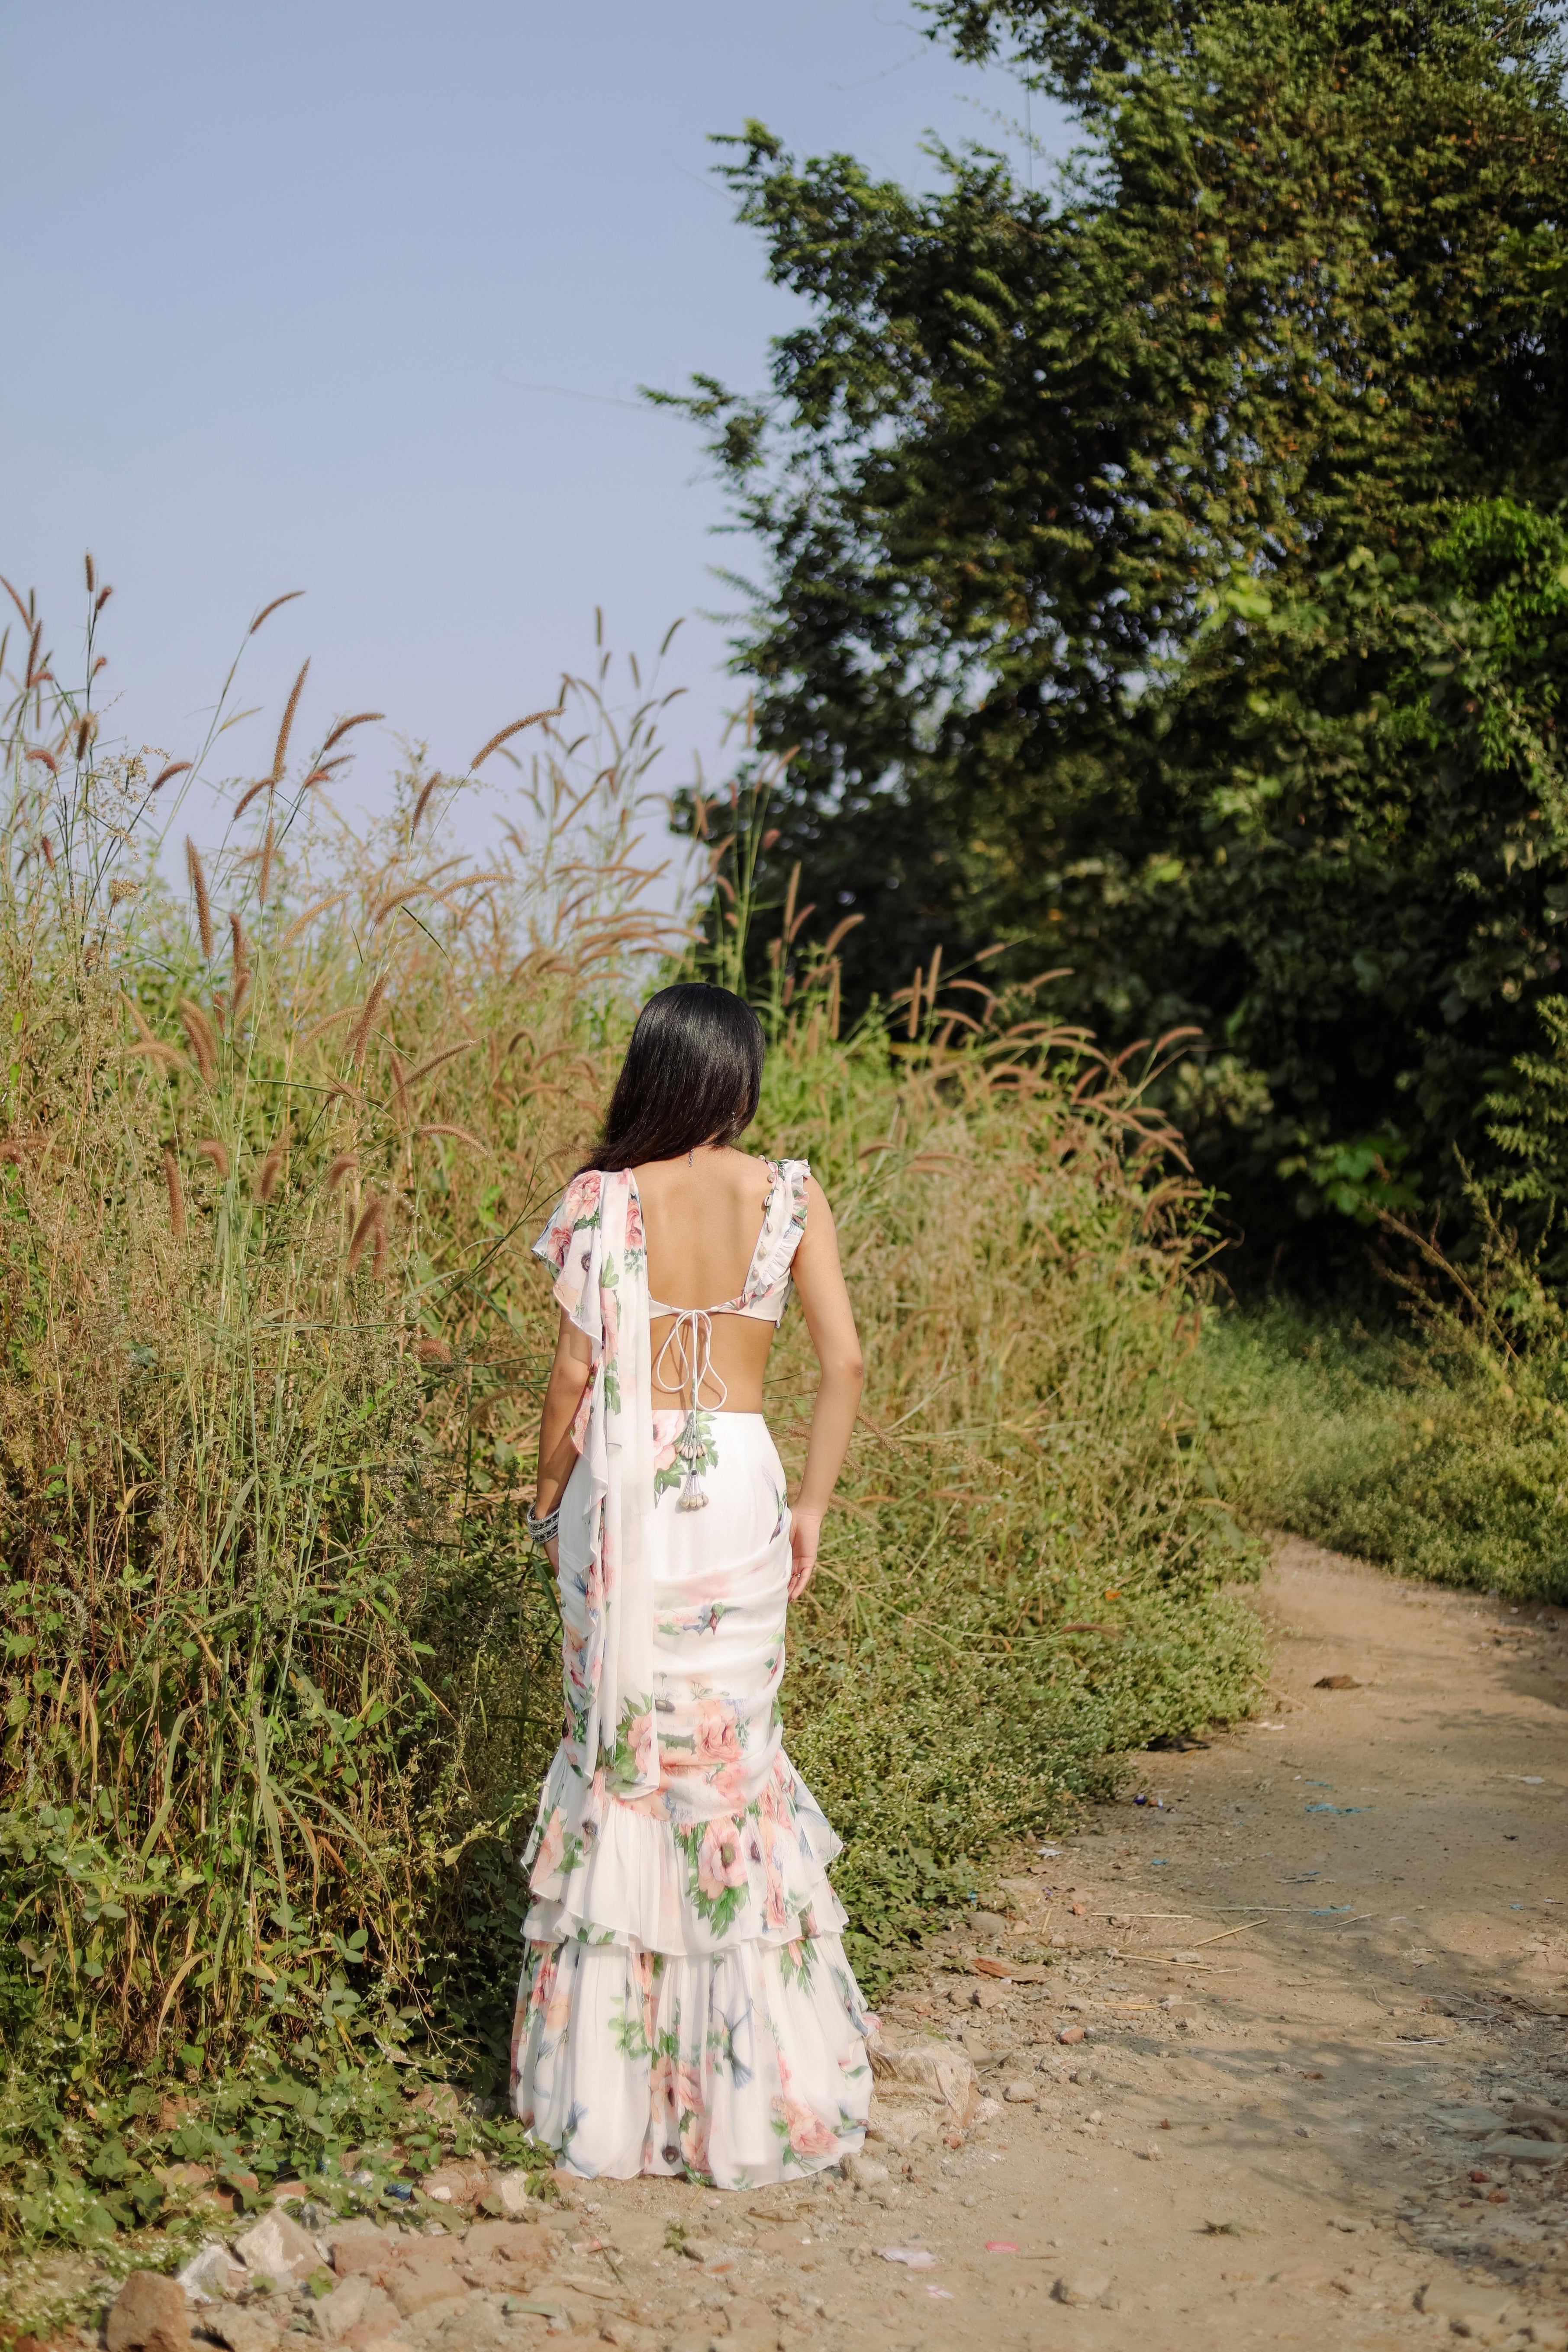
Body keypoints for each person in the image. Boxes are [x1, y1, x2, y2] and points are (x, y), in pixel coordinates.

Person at [509, 981, 872, 2187]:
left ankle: (611, 2093)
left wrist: (544, 1495)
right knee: (731, 1771)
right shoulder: (793, 1194)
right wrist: (812, 1504)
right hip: (743, 1490)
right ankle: (751, 2094)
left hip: (626, 1497)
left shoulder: (604, 1202)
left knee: (621, 1763)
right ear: (738, 1078)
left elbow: (572, 1376)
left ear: (655, 1072)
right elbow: (847, 1361)